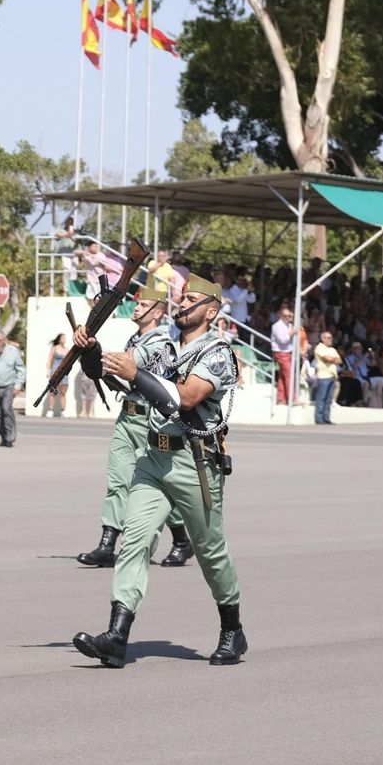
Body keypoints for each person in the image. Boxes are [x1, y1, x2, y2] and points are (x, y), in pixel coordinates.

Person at [73, 275, 247, 669]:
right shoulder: (164, 346)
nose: (182, 302)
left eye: (192, 298)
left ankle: (232, 629)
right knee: (134, 539)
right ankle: (117, 636)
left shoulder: (218, 352)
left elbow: (186, 398)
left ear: (212, 310)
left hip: (195, 465)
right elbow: (114, 373)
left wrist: (135, 373)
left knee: (211, 553)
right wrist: (92, 349)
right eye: (181, 296)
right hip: (154, 460)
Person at [72, 287, 193, 569]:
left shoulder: (160, 341)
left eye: (145, 305)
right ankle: (107, 545)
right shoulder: (136, 338)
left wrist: (90, 345)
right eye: (137, 304)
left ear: (159, 312)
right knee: (118, 481)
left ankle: (182, 541)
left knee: (160, 484)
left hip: (150, 421)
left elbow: (121, 364)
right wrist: (89, 347)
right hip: (127, 418)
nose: (136, 308)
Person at [311, 330, 341, 424]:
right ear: (323, 339)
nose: (330, 339)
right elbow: (326, 358)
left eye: (331, 337)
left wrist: (331, 359)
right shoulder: (320, 347)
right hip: (323, 376)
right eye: (328, 337)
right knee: (321, 397)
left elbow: (339, 360)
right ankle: (319, 418)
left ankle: (326, 418)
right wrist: (333, 359)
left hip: (332, 375)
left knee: (329, 399)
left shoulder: (332, 349)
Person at [271, 305, 296, 405]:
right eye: (285, 316)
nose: (287, 318)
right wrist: (292, 333)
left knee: (282, 376)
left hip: (287, 352)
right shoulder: (277, 326)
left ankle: (281, 399)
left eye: (289, 316)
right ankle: (292, 398)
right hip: (281, 352)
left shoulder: (289, 325)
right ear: (281, 315)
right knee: (289, 375)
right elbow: (282, 340)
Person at [43, 333, 70, 418]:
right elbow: (50, 359)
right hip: (55, 370)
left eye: (65, 338)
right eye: (62, 338)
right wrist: (48, 371)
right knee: (53, 391)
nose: (64, 340)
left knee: (63, 392)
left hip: (64, 371)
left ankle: (63, 410)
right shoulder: (55, 348)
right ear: (59, 339)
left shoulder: (67, 349)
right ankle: (50, 410)